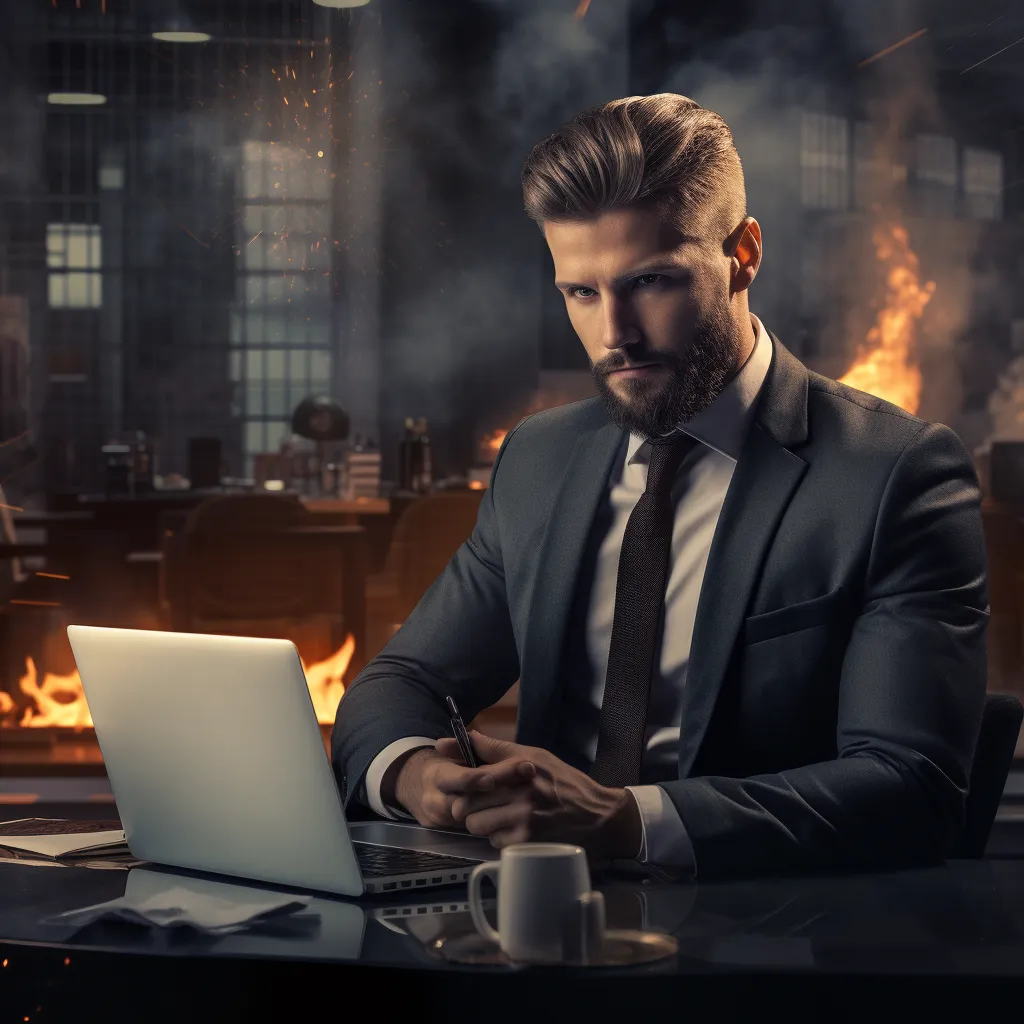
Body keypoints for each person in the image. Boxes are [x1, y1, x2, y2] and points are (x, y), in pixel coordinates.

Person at [332, 94, 988, 879]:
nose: (615, 333)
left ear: (743, 254)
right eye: (581, 292)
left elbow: (910, 788)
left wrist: (625, 824)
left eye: (651, 281)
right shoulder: (538, 459)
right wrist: (415, 778)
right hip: (534, 916)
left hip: (766, 931)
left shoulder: (897, 476)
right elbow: (402, 682)